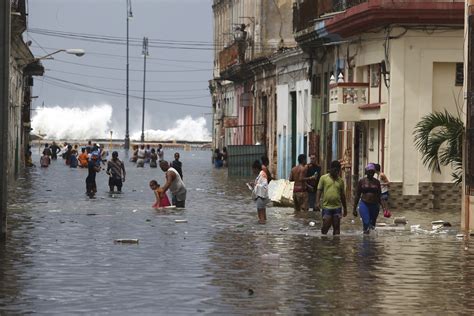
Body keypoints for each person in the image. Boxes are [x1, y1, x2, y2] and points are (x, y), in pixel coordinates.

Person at [316, 160, 347, 235]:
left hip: (337, 207)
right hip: (326, 206)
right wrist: (317, 202)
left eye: (338, 170)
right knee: (326, 226)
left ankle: (336, 244)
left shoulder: (341, 181)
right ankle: (323, 240)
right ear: (331, 169)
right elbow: (319, 190)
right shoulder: (323, 178)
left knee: (336, 227)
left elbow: (342, 195)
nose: (336, 172)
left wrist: (345, 208)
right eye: (335, 170)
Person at [352, 163, 385, 234]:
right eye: (369, 171)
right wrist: (354, 209)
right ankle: (366, 241)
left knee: (372, 225)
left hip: (375, 206)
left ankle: (371, 242)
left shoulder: (377, 182)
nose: (371, 173)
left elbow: (380, 196)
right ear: (366, 172)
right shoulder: (362, 181)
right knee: (366, 222)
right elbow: (357, 195)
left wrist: (384, 208)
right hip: (364, 204)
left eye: (372, 172)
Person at [248, 159, 269, 224]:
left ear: (256, 168)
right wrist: (254, 185)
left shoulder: (262, 174)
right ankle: (264, 229)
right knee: (263, 216)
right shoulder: (261, 174)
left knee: (261, 217)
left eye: (253, 169)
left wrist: (254, 185)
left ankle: (261, 232)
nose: (252, 171)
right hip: (261, 197)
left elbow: (264, 186)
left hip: (261, 197)